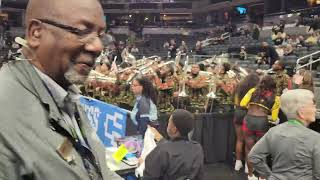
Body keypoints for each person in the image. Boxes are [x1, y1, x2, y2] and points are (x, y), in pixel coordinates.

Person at [0, 0, 122, 179]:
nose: (98, 47)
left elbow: (98, 172)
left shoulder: (64, 91)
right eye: (81, 31)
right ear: (36, 33)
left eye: (100, 36)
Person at [248, 89, 320, 180]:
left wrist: (270, 176)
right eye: (312, 104)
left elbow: (254, 156)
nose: (315, 108)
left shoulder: (273, 132)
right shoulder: (315, 138)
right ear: (301, 112)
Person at [143, 109, 204, 180]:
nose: (167, 124)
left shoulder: (162, 151)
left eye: (169, 122)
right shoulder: (197, 148)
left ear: (174, 129)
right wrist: (161, 140)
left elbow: (149, 176)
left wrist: (142, 164)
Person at [240, 75, 280, 180]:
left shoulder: (252, 91)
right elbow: (274, 117)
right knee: (261, 151)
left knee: (249, 149)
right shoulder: (276, 97)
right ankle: (262, 177)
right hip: (262, 123)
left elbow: (242, 103)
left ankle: (250, 175)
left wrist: (251, 107)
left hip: (248, 120)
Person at [233, 73, 260, 171]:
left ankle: (237, 162)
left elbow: (236, 102)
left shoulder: (238, 87)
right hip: (249, 114)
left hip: (238, 113)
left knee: (239, 140)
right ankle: (247, 167)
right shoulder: (256, 90)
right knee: (249, 142)